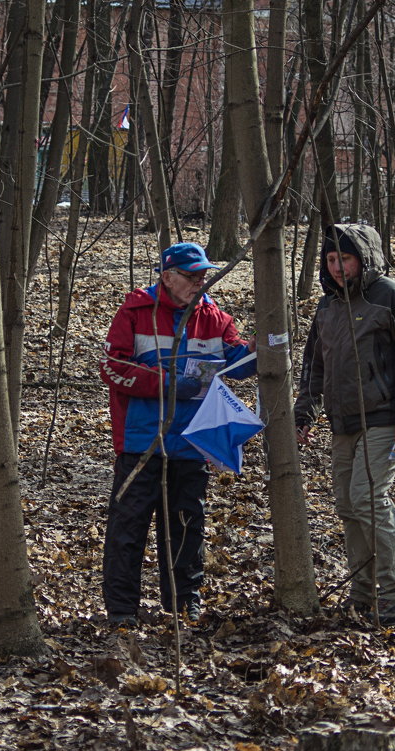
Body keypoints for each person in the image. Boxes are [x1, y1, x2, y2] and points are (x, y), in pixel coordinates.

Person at [99, 242, 256, 628]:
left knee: (187, 525)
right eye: (190, 276)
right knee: (128, 528)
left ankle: (185, 606)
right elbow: (112, 366)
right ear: (167, 277)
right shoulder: (136, 312)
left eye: (203, 276)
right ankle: (121, 611)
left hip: (192, 441)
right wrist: (167, 384)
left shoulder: (213, 317)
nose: (199, 283)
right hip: (141, 440)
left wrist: (267, 346)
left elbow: (239, 363)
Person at [294, 224, 395, 626]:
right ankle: (362, 593)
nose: (338, 267)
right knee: (346, 504)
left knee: (368, 498)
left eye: (347, 258)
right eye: (332, 260)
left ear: (365, 258)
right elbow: (313, 367)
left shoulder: (390, 295)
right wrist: (303, 415)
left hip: (385, 417)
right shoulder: (327, 305)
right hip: (342, 422)